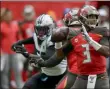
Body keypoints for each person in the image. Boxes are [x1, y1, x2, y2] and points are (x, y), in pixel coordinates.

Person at [26, 5, 110, 89]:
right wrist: (57, 42)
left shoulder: (101, 32)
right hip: (81, 75)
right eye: (90, 17)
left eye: (94, 17)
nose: (92, 20)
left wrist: (90, 41)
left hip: (92, 75)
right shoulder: (74, 36)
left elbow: (107, 52)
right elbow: (58, 56)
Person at [12, 14, 67, 89]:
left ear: (50, 28)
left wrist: (26, 53)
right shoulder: (37, 37)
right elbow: (32, 39)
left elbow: (46, 59)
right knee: (27, 87)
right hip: (46, 74)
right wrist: (18, 43)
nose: (40, 33)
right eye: (38, 29)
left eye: (43, 29)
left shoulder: (55, 38)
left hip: (60, 76)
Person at [0, 8, 23, 89]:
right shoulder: (1, 26)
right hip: (4, 53)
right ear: (4, 16)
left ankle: (19, 86)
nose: (9, 16)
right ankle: (5, 86)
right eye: (7, 15)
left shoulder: (15, 24)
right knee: (5, 71)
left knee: (17, 70)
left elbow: (19, 37)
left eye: (10, 15)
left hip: (14, 51)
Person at [18, 5, 36, 81]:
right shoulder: (21, 25)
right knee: (25, 68)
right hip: (25, 50)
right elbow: (19, 37)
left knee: (34, 68)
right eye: (27, 14)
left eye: (29, 14)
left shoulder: (37, 23)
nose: (28, 16)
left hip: (35, 49)